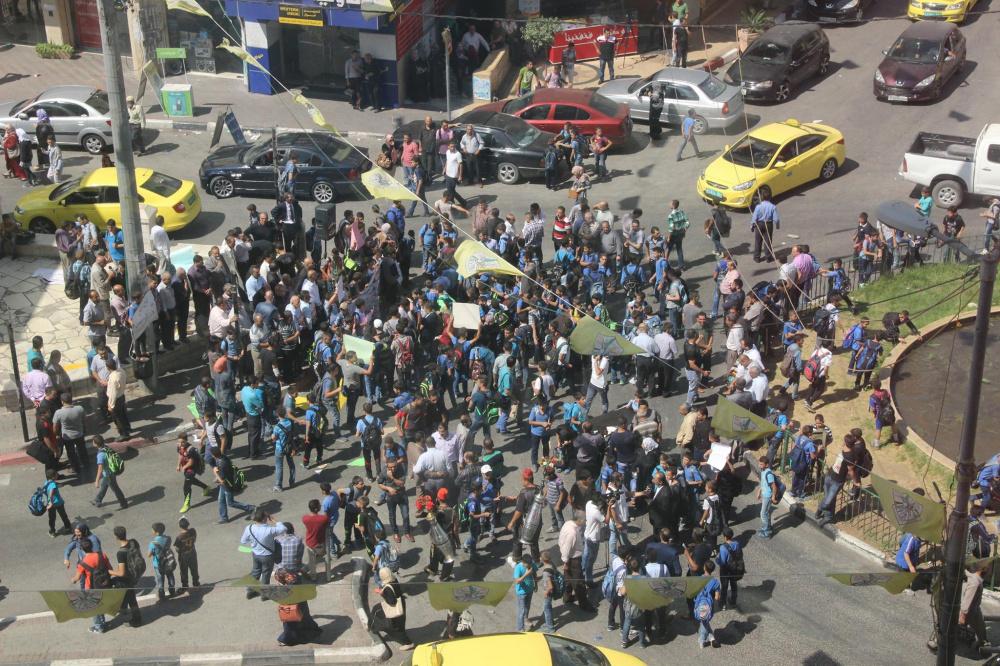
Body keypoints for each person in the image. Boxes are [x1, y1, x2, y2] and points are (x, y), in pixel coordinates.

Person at [242, 507, 289, 598]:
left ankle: (250, 590)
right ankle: (264, 595)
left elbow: (243, 541)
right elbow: (283, 528)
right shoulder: (270, 530)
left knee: (255, 572)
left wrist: (253, 545)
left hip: (256, 554)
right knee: (266, 574)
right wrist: (274, 520)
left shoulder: (249, 528)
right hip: (268, 556)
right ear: (264, 518)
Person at [70, 538, 112, 633]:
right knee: (101, 604)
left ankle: (98, 627)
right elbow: (110, 568)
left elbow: (76, 578)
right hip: (104, 584)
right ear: (92, 546)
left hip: (91, 587)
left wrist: (72, 579)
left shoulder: (82, 563)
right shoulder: (102, 555)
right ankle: (103, 622)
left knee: (93, 608)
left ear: (82, 549)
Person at [370, 567, 414, 650]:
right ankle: (374, 628)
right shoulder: (394, 580)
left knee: (393, 627)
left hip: (394, 609)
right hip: (400, 605)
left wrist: (381, 593)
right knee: (399, 626)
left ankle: (408, 643)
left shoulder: (387, 588)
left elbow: (391, 601)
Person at [110, 526, 142, 626]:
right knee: (127, 594)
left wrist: (109, 572)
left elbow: (121, 573)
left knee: (131, 599)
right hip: (135, 574)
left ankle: (137, 620)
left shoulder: (121, 553)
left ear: (116, 537)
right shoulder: (133, 543)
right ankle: (123, 609)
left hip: (127, 578)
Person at [960, 560, 991, 649]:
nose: (989, 571)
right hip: (971, 610)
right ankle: (983, 646)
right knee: (979, 627)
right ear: (983, 570)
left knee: (981, 627)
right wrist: (963, 616)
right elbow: (968, 599)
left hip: (975, 608)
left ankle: (983, 642)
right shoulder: (975, 582)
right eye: (988, 569)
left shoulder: (974, 577)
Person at [93, 435, 127, 510]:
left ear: (95, 444)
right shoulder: (106, 447)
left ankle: (123, 503)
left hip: (108, 474)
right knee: (104, 486)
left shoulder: (100, 455)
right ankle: (98, 500)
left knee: (115, 489)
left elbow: (100, 469)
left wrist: (97, 480)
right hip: (111, 472)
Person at [148, 522, 176, 602]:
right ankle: (172, 591)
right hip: (168, 561)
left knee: (160, 579)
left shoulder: (153, 543)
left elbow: (149, 555)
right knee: (170, 576)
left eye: (152, 530)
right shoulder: (168, 538)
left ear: (156, 532)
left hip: (158, 564)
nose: (152, 531)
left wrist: (154, 552)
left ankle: (161, 594)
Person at [750, 191, 780, 262]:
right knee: (768, 241)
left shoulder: (758, 206)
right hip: (768, 224)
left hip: (759, 224)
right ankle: (768, 257)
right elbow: (776, 219)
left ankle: (757, 257)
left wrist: (752, 226)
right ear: (770, 197)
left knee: (758, 241)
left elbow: (754, 218)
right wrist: (777, 226)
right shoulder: (772, 206)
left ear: (762, 197)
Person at [756, 455, 780, 539]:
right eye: (759, 464)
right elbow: (763, 482)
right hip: (764, 494)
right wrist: (759, 491)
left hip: (768, 496)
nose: (759, 466)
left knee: (763, 513)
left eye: (761, 464)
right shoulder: (763, 471)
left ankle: (767, 532)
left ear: (766, 465)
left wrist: (773, 497)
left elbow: (774, 486)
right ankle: (768, 527)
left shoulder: (769, 474)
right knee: (766, 512)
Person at [513, 552, 538, 632]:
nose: (530, 565)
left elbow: (534, 574)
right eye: (528, 564)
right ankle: (520, 629)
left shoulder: (531, 564)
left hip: (530, 590)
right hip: (521, 592)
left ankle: (526, 619)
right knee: (522, 610)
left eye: (530, 563)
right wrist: (526, 574)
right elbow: (517, 581)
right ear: (523, 562)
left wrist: (536, 584)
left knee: (527, 607)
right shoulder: (518, 568)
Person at [44, 468, 72, 537]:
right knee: (63, 516)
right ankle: (68, 528)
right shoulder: (53, 484)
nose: (58, 475)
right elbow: (51, 494)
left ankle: (52, 531)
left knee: (52, 518)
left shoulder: (46, 482)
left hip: (51, 504)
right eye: (56, 475)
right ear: (53, 477)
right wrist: (51, 503)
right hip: (57, 503)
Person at [175, 517, 200, 590]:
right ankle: (196, 583)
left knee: (183, 571)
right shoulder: (193, 531)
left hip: (183, 555)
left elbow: (177, 548)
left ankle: (185, 585)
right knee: (194, 568)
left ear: (180, 526)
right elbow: (194, 539)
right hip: (192, 552)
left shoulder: (179, 537)